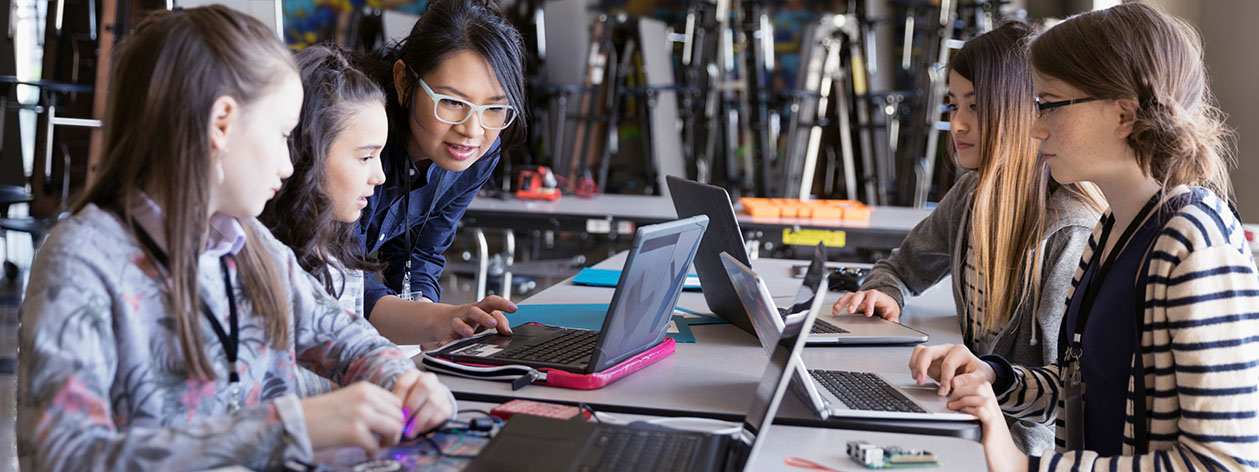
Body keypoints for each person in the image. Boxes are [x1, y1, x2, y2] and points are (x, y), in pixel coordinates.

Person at [17, 7, 454, 470]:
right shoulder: (81, 262)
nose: (290, 166)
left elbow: (352, 343)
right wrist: (286, 428)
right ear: (222, 123)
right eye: (283, 134)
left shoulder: (249, 246)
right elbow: (62, 458)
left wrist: (406, 385)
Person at [908, 4, 1259, 470]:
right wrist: (996, 379)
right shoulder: (1112, 228)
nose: (1034, 127)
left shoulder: (1196, 246)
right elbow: (1082, 383)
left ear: (1123, 115)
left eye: (1049, 104)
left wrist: (1027, 466)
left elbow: (1222, 462)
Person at [831, 20, 1105, 452]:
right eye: (953, 105)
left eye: (975, 107)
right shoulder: (972, 194)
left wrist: (986, 380)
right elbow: (901, 268)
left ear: (1020, 109)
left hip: (1017, 449)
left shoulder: (1069, 232)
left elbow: (1068, 400)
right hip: (968, 421)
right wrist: (886, 292)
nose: (957, 124)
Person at [352, 0, 526, 345]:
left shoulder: (477, 153)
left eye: (494, 108)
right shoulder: (353, 136)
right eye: (451, 102)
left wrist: (430, 317)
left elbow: (420, 253)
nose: (472, 130)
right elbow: (341, 277)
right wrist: (434, 320)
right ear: (403, 82)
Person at [260, 45, 390, 396]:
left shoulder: (337, 248)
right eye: (365, 157)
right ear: (309, 154)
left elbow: (354, 346)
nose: (379, 175)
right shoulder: (261, 258)